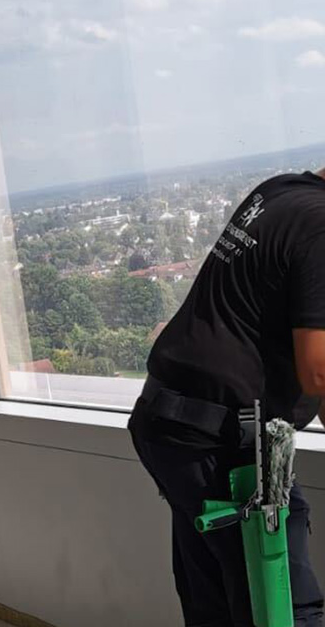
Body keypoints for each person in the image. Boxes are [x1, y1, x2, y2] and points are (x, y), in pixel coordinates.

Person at [129, 170, 325, 626]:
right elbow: (318, 370)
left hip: (173, 426)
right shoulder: (321, 225)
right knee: (284, 609)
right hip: (221, 445)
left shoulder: (280, 191)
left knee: (214, 604)